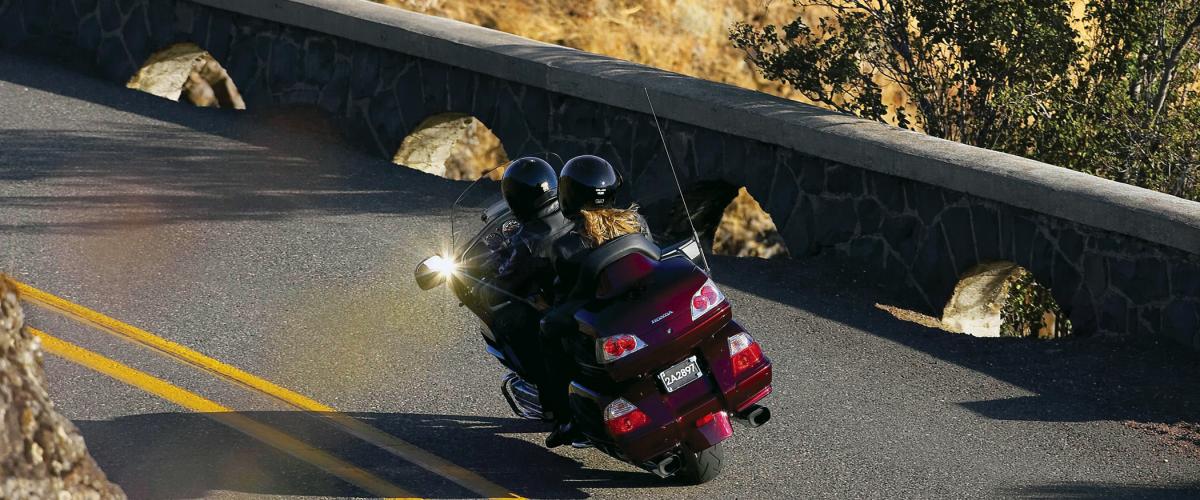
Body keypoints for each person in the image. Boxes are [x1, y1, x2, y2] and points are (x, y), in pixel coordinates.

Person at [539, 155, 652, 448]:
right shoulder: (636, 222)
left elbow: (564, 295)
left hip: (606, 320)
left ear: (568, 195)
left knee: (549, 330)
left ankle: (565, 418)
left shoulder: (566, 245)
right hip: (645, 308)